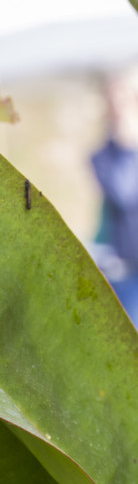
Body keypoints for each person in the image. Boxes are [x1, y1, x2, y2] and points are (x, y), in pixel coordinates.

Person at [91, 65, 138, 326]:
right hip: (125, 274)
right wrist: (127, 147)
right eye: (114, 102)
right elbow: (124, 193)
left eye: (125, 101)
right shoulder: (101, 157)